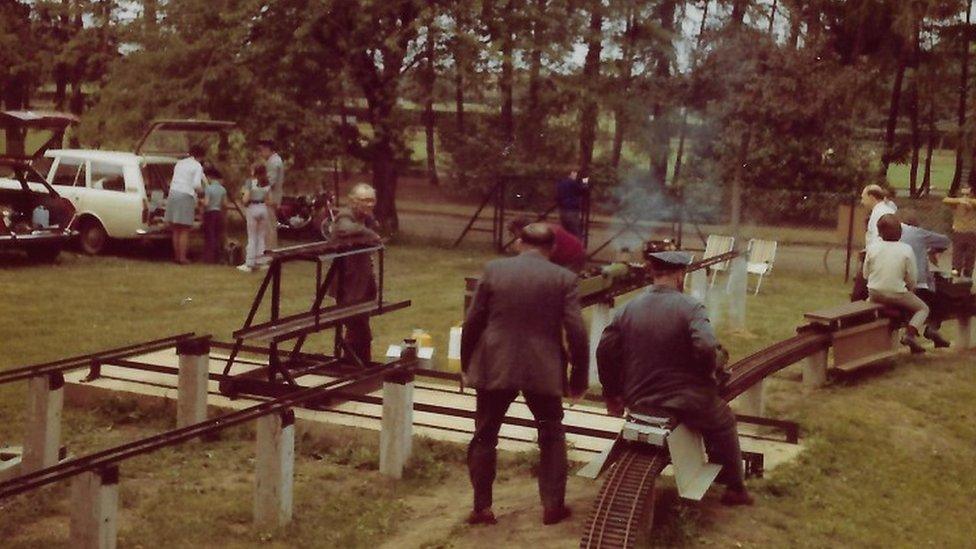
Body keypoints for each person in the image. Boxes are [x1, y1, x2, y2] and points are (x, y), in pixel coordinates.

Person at [596, 251, 752, 507]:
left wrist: (612, 394)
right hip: (685, 402)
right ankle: (735, 488)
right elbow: (705, 348)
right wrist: (707, 377)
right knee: (723, 420)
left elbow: (604, 352)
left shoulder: (627, 309)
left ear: (652, 274)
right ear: (680, 275)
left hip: (639, 399)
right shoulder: (691, 307)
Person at [461, 223, 589, 526]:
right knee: (551, 433)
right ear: (553, 249)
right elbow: (577, 333)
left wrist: (468, 365)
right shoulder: (564, 279)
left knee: (485, 434)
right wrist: (578, 380)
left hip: (496, 362)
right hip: (542, 366)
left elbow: (473, 321)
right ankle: (552, 506)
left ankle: (482, 508)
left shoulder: (494, 270)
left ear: (520, 243)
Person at [328, 183, 382, 363]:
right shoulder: (345, 216)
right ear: (353, 201)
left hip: (363, 280)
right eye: (365, 200)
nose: (369, 205)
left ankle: (358, 363)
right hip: (348, 282)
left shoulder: (366, 217)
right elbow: (346, 229)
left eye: (372, 200)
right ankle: (354, 364)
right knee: (356, 325)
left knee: (362, 325)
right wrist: (370, 234)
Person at [864, 214, 929, 354]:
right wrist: (910, 290)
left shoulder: (872, 247)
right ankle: (910, 334)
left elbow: (865, 273)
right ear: (900, 232)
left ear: (879, 232)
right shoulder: (906, 249)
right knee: (923, 309)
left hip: (874, 292)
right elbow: (912, 277)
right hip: (897, 293)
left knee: (867, 304)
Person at [899, 210, 952, 348]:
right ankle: (931, 329)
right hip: (913, 284)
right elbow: (945, 240)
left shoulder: (892, 232)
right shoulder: (918, 233)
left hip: (892, 283)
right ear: (916, 225)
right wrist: (934, 249)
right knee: (943, 297)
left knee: (929, 296)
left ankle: (919, 335)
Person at [852, 184, 898, 300]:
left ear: (872, 197)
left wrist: (870, 253)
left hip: (877, 259)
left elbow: (880, 238)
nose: (862, 202)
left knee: (859, 295)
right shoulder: (880, 211)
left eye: (863, 198)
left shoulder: (881, 213)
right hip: (875, 256)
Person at [165, 145, 207, 264]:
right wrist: (202, 194)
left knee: (176, 228)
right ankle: (183, 258)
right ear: (201, 156)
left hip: (173, 193)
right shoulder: (197, 166)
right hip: (185, 195)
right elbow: (196, 184)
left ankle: (177, 256)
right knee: (184, 228)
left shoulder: (180, 163)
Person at [507, 215, 586, 272]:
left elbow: (543, 257)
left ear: (520, 229)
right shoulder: (539, 231)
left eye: (514, 232)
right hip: (566, 256)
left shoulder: (542, 233)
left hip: (572, 257)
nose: (516, 237)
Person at [238, 165, 273, 272]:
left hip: (253, 207)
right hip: (263, 207)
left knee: (252, 236)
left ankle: (250, 263)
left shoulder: (250, 182)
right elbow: (269, 199)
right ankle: (261, 261)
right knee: (261, 236)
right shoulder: (267, 183)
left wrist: (243, 199)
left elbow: (246, 198)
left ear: (255, 172)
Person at [942, 185, 976, 278]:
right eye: (963, 194)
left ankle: (968, 273)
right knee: (957, 254)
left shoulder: (973, 203)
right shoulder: (956, 203)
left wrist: (968, 201)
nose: (965, 196)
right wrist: (960, 200)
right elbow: (945, 200)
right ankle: (955, 272)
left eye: (968, 194)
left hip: (972, 232)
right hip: (959, 232)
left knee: (970, 255)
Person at [258, 140, 285, 250]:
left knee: (268, 227)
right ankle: (269, 250)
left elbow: (270, 182)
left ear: (267, 149)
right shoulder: (275, 160)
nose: (260, 153)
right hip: (273, 198)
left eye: (261, 150)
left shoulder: (273, 162)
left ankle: (269, 252)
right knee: (270, 226)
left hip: (270, 199)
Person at [201, 166, 229, 264]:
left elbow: (206, 203)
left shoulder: (208, 188)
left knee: (209, 235)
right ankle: (218, 257)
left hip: (210, 213)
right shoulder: (222, 189)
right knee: (217, 235)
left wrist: (201, 202)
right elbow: (225, 204)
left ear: (209, 177)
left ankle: (209, 258)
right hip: (218, 213)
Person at [555, 169, 588, 238]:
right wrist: (585, 181)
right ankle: (577, 247)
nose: (576, 175)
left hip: (562, 210)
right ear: (571, 173)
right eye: (575, 173)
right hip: (572, 209)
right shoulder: (572, 183)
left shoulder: (560, 183)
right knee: (575, 232)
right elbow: (583, 190)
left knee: (566, 231)